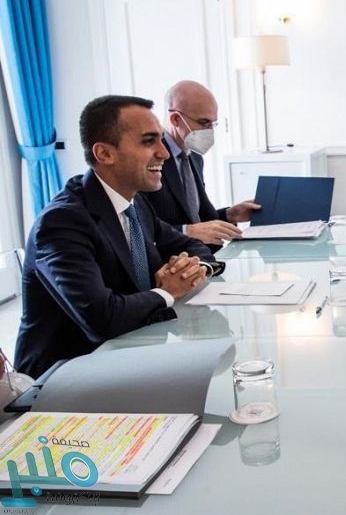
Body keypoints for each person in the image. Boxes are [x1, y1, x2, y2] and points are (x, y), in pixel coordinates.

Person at [15, 95, 220, 378]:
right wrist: (167, 291)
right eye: (148, 141)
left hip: (133, 353)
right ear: (104, 154)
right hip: (67, 375)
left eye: (161, 140)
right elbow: (101, 319)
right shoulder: (62, 222)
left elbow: (190, 245)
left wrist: (195, 268)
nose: (163, 153)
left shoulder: (136, 203)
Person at [143, 80, 259, 248]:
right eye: (204, 123)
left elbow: (198, 220)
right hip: (173, 259)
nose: (209, 131)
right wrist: (186, 231)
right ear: (175, 119)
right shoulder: (151, 157)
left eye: (213, 124)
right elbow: (142, 229)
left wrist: (230, 214)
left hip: (203, 255)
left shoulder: (194, 156)